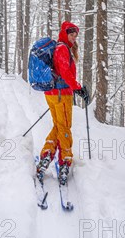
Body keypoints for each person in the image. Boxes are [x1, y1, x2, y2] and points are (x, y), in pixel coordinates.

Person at [36, 21, 88, 186]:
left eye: (75, 35)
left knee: (59, 126)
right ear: (65, 33)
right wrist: (78, 88)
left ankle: (46, 156)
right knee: (64, 127)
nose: (73, 37)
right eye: (71, 34)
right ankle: (65, 161)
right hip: (60, 94)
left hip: (52, 93)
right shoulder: (62, 48)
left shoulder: (60, 48)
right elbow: (65, 72)